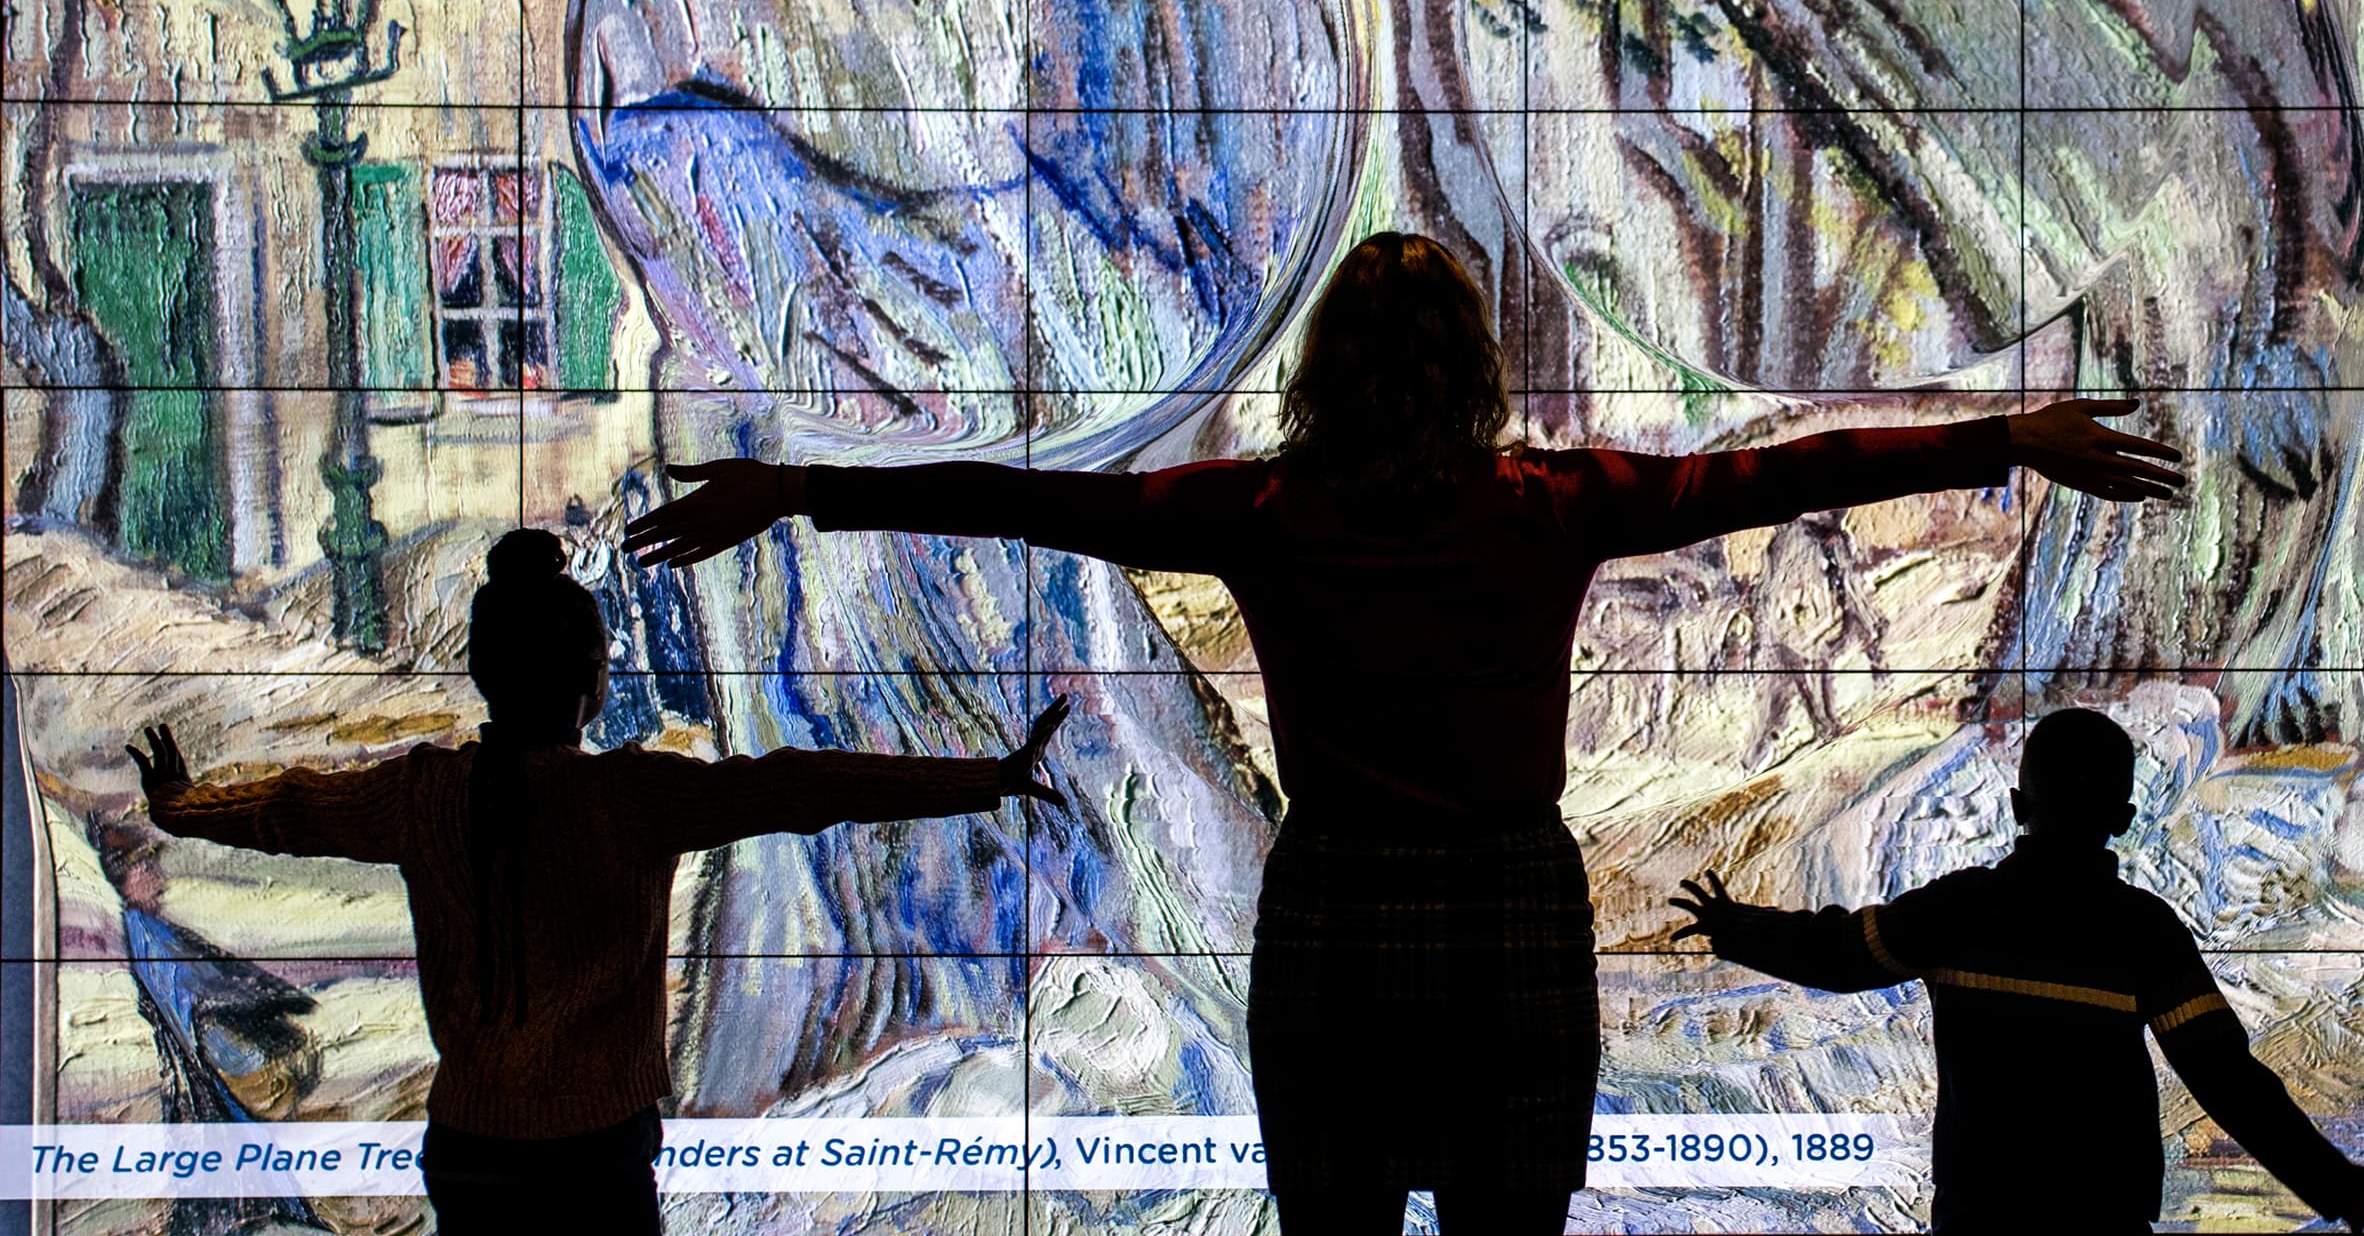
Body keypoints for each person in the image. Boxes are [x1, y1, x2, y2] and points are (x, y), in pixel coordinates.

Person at [623, 230, 2187, 1236]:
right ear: (1475, 370)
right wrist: (2006, 435)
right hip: (1510, 902)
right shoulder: (1551, 506)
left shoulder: (1260, 512)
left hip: (1335, 907)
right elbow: (1778, 477)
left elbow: (1028, 504)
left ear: (1319, 375)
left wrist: (801, 488)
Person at [130, 528, 1070, 1233]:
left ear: (485, 674)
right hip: (598, 1165)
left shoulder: (424, 796)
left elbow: (286, 810)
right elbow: (805, 787)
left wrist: (178, 805)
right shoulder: (630, 798)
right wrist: (984, 778)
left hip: (471, 1156)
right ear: (592, 684)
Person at [1667, 707, 2364, 1235]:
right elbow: (2225, 1079)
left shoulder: (1959, 910)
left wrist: (1734, 927)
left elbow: (1837, 956)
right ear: (2124, 821)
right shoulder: (2143, 931)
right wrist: (2336, 1185)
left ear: (2015, 804)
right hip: (2102, 1225)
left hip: (1978, 1221)